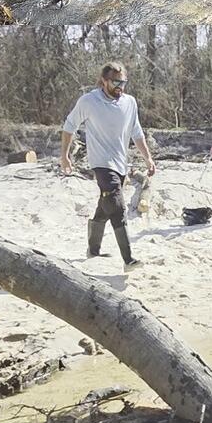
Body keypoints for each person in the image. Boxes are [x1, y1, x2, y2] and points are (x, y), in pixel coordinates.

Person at [60, 61, 156, 272]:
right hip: (101, 163)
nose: (120, 86)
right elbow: (69, 126)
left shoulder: (129, 102)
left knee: (105, 206)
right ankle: (128, 259)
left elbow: (136, 132)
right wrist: (65, 156)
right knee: (117, 205)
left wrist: (148, 158)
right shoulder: (89, 101)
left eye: (123, 82)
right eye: (115, 82)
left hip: (121, 163)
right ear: (103, 81)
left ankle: (93, 250)